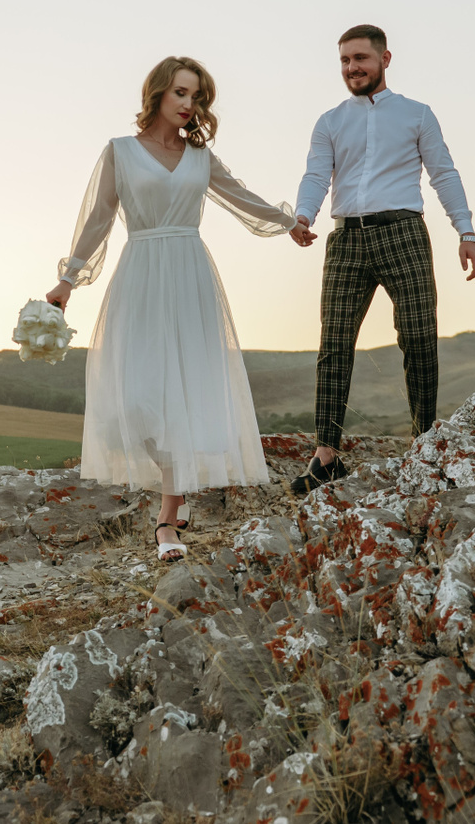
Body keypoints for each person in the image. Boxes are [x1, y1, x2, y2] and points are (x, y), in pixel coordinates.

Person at [46, 56, 307, 562]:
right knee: (133, 399)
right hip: (141, 274)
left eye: (197, 97)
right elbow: (99, 218)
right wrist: (68, 279)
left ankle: (168, 516)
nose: (189, 105)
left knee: (183, 393)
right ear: (159, 93)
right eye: (181, 93)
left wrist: (287, 223)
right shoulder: (121, 151)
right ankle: (175, 491)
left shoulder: (200, 157)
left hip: (189, 275)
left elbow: (240, 196)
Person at [285, 24, 475, 496]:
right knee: (334, 344)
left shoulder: (417, 114)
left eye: (360, 58)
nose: (352, 68)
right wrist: (303, 215)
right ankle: (326, 456)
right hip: (346, 240)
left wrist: (466, 232)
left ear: (385, 59)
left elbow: (444, 173)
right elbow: (316, 174)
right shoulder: (330, 121)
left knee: (419, 338)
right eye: (344, 61)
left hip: (403, 233)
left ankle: (423, 445)